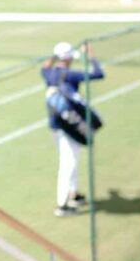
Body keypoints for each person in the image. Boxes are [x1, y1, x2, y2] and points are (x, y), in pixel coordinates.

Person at [42, 41, 103, 217]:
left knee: (69, 160)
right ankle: (62, 205)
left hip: (55, 125)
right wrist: (89, 55)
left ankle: (73, 194)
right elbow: (98, 74)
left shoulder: (48, 73)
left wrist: (54, 55)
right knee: (68, 164)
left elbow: (44, 66)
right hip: (70, 125)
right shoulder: (70, 75)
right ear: (68, 59)